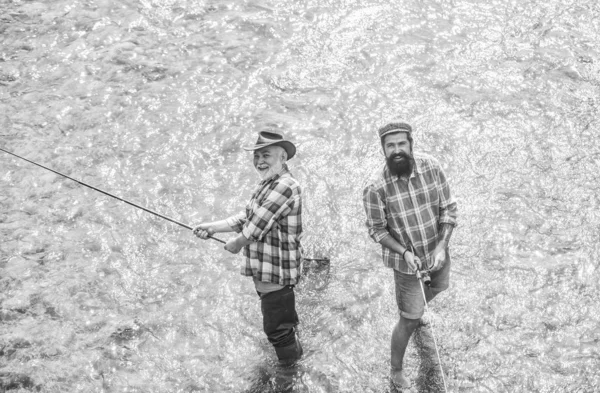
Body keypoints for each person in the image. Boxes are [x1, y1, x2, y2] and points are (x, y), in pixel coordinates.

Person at [193, 130, 304, 366]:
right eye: (257, 156)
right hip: (267, 276)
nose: (260, 161)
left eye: (266, 155)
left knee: (277, 332)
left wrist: (237, 243)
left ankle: (290, 374)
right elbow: (246, 217)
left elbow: (255, 228)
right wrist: (213, 227)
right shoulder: (268, 184)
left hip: (277, 274)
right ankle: (294, 354)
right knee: (282, 325)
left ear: (282, 157)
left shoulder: (285, 185)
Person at [362, 121, 457, 388]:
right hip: (407, 266)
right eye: (390, 145)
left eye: (401, 143)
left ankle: (416, 308)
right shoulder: (375, 187)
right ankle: (395, 370)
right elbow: (377, 230)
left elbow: (449, 210)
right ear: (383, 150)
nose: (397, 150)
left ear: (411, 144)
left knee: (439, 287)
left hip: (437, 252)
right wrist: (404, 253)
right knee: (409, 320)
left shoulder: (431, 167)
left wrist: (441, 247)